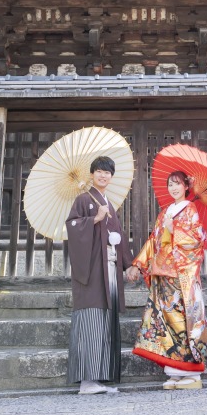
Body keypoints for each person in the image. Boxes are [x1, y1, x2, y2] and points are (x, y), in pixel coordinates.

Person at [130, 169, 207, 390]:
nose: (173, 188)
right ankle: (175, 371)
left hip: (180, 276)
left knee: (183, 322)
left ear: (186, 187)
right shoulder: (165, 212)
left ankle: (192, 373)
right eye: (170, 184)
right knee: (166, 322)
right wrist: (138, 263)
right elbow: (153, 240)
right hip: (163, 274)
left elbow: (198, 239)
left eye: (177, 184)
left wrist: (174, 228)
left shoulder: (191, 209)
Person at [65, 155, 133, 394]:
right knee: (91, 318)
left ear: (111, 177)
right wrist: (94, 218)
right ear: (92, 174)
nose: (103, 176)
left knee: (105, 320)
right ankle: (86, 381)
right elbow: (72, 226)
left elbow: (118, 237)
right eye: (99, 171)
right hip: (93, 270)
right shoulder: (84, 199)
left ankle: (98, 378)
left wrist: (128, 265)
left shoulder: (108, 203)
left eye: (107, 172)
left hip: (110, 270)